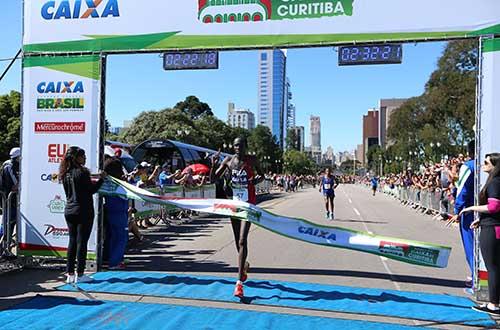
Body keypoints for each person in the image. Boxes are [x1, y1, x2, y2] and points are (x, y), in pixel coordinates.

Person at [213, 137, 264, 298]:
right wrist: (214, 163)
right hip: (234, 204)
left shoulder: (252, 160)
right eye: (235, 145)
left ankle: (239, 284)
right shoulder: (228, 160)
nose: (237, 148)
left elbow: (262, 176)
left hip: (248, 204)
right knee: (237, 241)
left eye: (240, 145)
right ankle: (244, 266)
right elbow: (212, 179)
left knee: (242, 240)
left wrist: (255, 180)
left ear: (245, 147)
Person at [460, 153, 500, 315]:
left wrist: (471, 208)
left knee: (493, 268)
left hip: (493, 229)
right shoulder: (495, 182)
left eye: (485, 162)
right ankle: (494, 302)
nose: (482, 165)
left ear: (494, 166)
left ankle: (493, 304)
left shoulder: (495, 183)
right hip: (490, 225)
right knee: (495, 267)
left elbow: (494, 207)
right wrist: (481, 220)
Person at [59, 146, 106, 284]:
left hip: (69, 210)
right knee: (81, 242)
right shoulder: (82, 172)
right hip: (83, 210)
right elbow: (91, 190)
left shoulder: (65, 173)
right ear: (76, 157)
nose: (85, 158)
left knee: (72, 241)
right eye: (83, 156)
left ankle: (69, 274)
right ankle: (80, 274)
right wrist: (101, 179)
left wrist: (96, 177)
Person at [449, 141, 476, 289]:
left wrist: (457, 211)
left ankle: (476, 279)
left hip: (469, 211)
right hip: (487, 210)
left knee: (471, 246)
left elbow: (462, 190)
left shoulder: (468, 166)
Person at [103, 155, 129, 270]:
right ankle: (115, 262)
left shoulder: (106, 183)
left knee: (113, 237)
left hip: (110, 213)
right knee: (121, 238)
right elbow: (126, 198)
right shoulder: (119, 185)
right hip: (119, 213)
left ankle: (114, 259)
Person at [0, 147, 20, 254]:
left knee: (10, 224)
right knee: (7, 224)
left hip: (10, 200)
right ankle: (4, 248)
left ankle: (6, 248)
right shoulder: (10, 165)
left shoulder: (10, 164)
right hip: (9, 200)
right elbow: (16, 185)